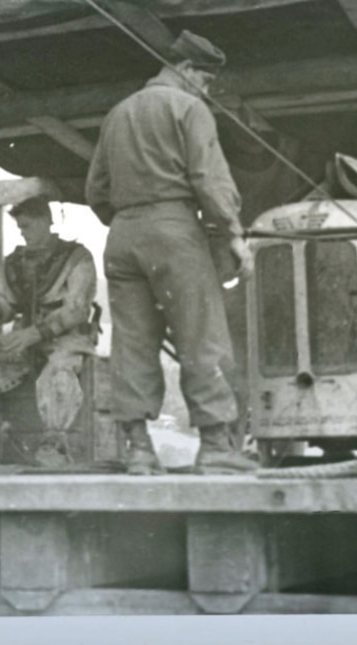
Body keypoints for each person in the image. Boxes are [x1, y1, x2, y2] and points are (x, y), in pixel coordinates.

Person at [85, 30, 256, 474]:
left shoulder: (117, 114)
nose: (208, 90)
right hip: (174, 228)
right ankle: (217, 446)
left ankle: (139, 449)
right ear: (186, 70)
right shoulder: (189, 107)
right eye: (206, 80)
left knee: (132, 342)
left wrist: (129, 219)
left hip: (122, 236)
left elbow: (96, 190)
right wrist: (233, 233)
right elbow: (208, 178)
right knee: (202, 333)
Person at [0, 196, 98, 465]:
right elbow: (5, 304)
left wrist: (34, 333)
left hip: (67, 339)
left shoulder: (77, 257)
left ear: (47, 221)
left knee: (59, 372)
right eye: (20, 227)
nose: (23, 233)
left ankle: (55, 443)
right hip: (24, 341)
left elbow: (77, 309)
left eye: (28, 226)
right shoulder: (14, 262)